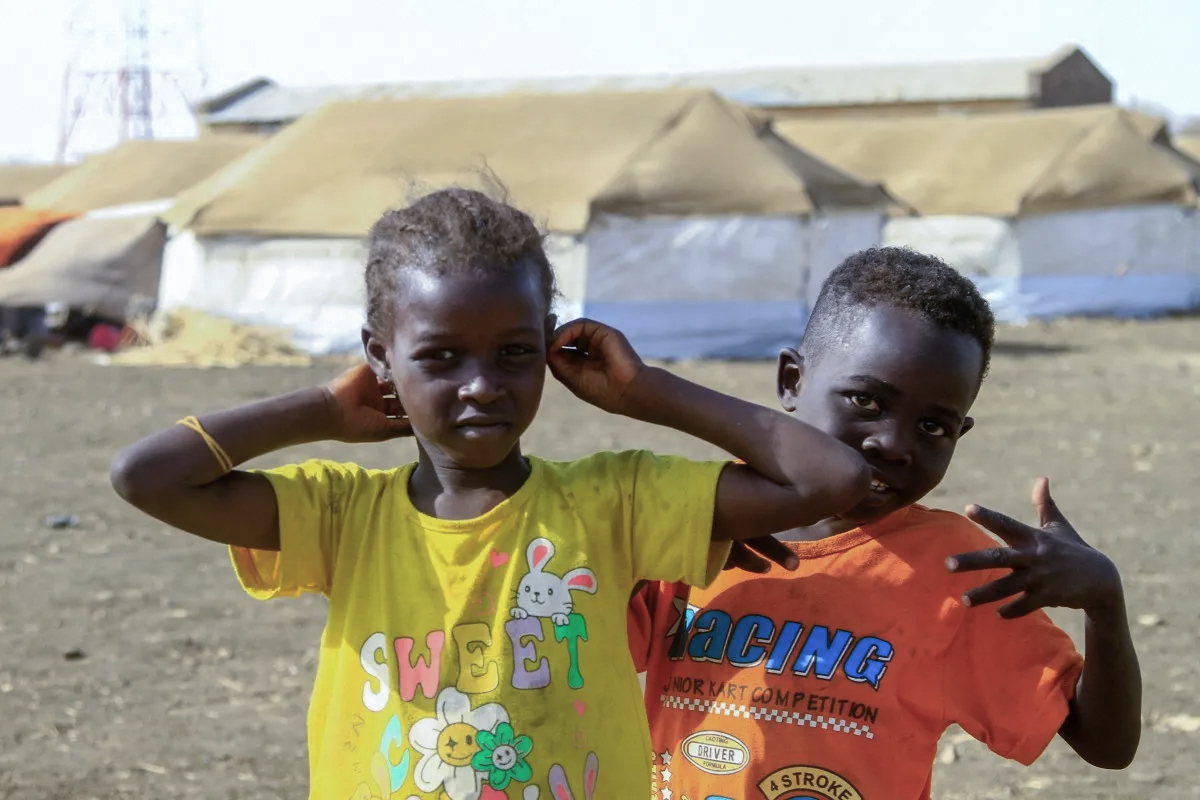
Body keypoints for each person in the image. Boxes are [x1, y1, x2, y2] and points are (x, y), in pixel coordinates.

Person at [109, 188, 871, 800]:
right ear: (380, 353)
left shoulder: (614, 501)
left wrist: (647, 391)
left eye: (514, 352)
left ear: (549, 343)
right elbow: (145, 476)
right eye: (439, 357)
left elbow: (828, 479)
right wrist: (322, 410)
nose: (481, 385)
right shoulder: (340, 515)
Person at [629, 247, 1141, 800]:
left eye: (932, 426)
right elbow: (567, 648)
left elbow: (1104, 744)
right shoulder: (699, 518)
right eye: (866, 400)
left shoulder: (956, 570)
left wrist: (1104, 605)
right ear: (792, 381)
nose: (894, 445)